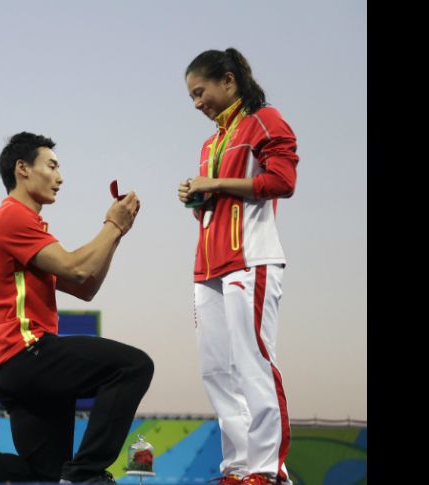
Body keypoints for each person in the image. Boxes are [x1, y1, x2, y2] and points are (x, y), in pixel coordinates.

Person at [0, 132, 154, 484]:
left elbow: (85, 285)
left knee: (44, 476)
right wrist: (112, 224)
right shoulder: (12, 218)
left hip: (14, 368)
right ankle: (86, 473)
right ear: (22, 169)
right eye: (52, 166)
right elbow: (77, 266)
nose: (60, 178)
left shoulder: (25, 226)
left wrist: (116, 234)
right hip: (28, 352)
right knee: (133, 366)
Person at [177, 48, 298, 485]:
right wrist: (197, 197)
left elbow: (282, 182)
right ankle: (239, 466)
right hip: (207, 265)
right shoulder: (211, 142)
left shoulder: (265, 120)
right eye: (190, 97)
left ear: (228, 81)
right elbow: (215, 204)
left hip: (251, 257)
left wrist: (216, 183)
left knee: (254, 363)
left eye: (199, 92)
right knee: (215, 369)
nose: (196, 104)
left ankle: (268, 470)